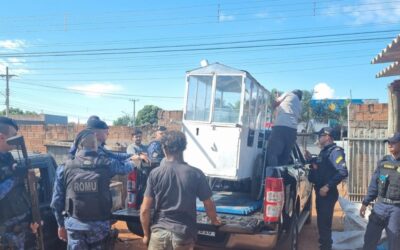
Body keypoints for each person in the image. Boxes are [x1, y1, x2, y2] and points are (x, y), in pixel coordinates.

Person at [51, 129, 135, 249]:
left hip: (74, 226)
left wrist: (60, 226)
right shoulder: (107, 164)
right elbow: (127, 167)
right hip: (99, 228)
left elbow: (56, 202)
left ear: (78, 146)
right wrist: (136, 160)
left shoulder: (64, 168)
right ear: (96, 146)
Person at [140, 130, 221, 250]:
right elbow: (208, 203)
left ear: (164, 148)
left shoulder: (155, 173)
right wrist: (214, 220)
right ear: (183, 148)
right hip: (183, 234)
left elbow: (145, 209)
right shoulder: (195, 173)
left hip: (159, 233)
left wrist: (146, 235)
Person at [305, 127, 348, 250]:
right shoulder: (325, 151)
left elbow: (343, 172)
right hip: (321, 192)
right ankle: (324, 246)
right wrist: (310, 159)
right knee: (322, 224)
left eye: (321, 135)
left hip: (327, 194)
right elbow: (323, 165)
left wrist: (327, 186)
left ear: (328, 137)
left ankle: (326, 247)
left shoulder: (336, 152)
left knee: (324, 225)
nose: (319, 137)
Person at [0, 116, 37, 250]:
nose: (16, 139)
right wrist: (15, 177)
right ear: (1, 137)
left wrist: (33, 216)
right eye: (13, 136)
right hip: (5, 233)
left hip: (22, 226)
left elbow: (22, 190)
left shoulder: (8, 158)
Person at [360, 132, 400, 250]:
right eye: (389, 142)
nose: (390, 145)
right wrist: (365, 203)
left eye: (393, 142)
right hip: (380, 206)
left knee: (395, 242)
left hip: (396, 209)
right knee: (369, 239)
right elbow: (374, 185)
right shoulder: (383, 163)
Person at [266, 89, 302, 166]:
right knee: (285, 155)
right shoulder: (299, 104)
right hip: (292, 130)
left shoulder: (288, 94)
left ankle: (273, 174)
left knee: (273, 152)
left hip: (281, 126)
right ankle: (281, 174)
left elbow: (275, 104)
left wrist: (274, 101)